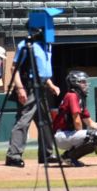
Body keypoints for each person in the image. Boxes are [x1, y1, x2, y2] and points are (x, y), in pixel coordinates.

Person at [6, 25, 63, 168]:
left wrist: (51, 85)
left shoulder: (47, 46)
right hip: (28, 87)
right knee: (23, 120)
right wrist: (20, 88)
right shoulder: (25, 45)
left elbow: (42, 70)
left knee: (46, 121)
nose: (52, 33)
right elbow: (14, 68)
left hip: (41, 87)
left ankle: (47, 155)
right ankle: (13, 156)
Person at [52, 71, 97, 167]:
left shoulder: (79, 98)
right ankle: (70, 157)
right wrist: (90, 136)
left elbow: (89, 122)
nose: (86, 84)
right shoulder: (72, 95)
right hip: (61, 134)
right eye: (83, 82)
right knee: (95, 136)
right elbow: (77, 121)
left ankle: (67, 156)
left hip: (67, 134)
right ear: (75, 83)